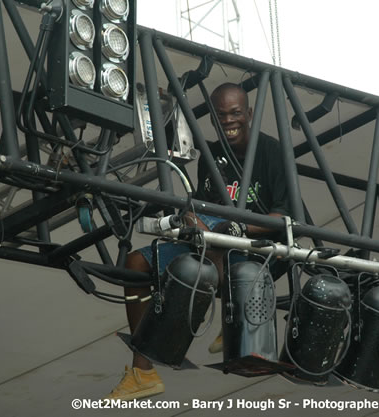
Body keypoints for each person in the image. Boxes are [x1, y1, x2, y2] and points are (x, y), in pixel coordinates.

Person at [108, 82, 291, 400]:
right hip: (214, 247)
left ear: (248, 113)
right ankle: (142, 372)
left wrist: (231, 229)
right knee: (136, 262)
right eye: (221, 116)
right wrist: (193, 219)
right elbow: (203, 208)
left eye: (235, 113)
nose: (229, 121)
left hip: (258, 255)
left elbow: (283, 220)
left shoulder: (273, 151)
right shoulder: (212, 156)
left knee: (219, 241)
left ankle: (235, 314)